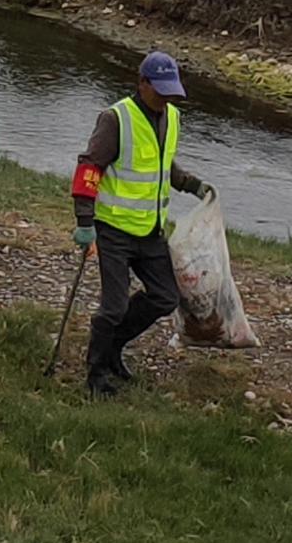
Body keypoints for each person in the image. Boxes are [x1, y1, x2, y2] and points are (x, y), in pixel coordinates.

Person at [70, 51, 214, 396]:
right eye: (159, 90)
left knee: (165, 297)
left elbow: (164, 166)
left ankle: (114, 346)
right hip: (113, 230)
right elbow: (89, 168)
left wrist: (193, 185)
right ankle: (96, 372)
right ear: (142, 82)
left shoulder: (172, 118)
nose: (165, 98)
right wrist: (84, 221)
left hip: (150, 231)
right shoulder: (115, 119)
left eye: (171, 92)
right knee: (114, 306)